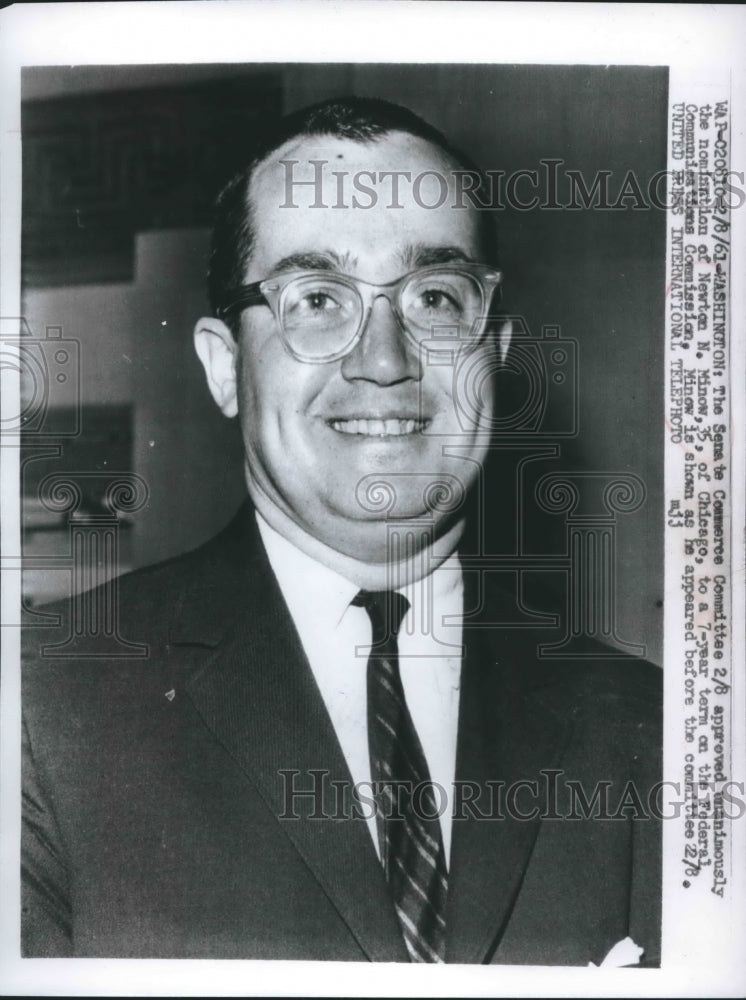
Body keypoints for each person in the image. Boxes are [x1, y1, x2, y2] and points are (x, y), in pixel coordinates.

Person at [21, 97, 661, 964]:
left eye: (436, 295)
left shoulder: (651, 730)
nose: (385, 358)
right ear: (224, 367)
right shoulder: (42, 713)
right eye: (317, 297)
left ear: (495, 352)